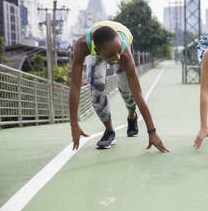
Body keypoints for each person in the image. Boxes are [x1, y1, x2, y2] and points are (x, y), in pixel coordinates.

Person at [69, 20, 169, 153]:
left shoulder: (123, 50)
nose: (116, 58)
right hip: (101, 43)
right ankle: (109, 131)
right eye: (111, 55)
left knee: (127, 90)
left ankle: (132, 115)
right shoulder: (82, 45)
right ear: (97, 50)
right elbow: (75, 86)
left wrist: (152, 131)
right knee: (96, 89)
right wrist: (74, 124)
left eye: (117, 53)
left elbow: (138, 93)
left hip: (121, 36)